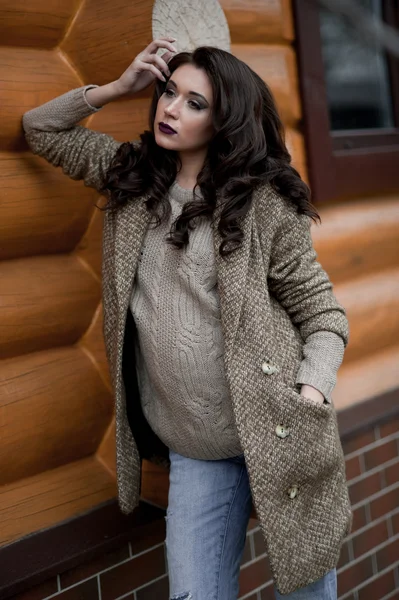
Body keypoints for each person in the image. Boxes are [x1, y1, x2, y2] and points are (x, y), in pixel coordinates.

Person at [22, 38, 352, 599]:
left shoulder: (264, 204)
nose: (170, 109)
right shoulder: (129, 177)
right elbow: (40, 129)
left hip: (280, 429)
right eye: (169, 93)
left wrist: (311, 392)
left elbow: (323, 314)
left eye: (195, 103)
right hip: (197, 450)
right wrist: (117, 88)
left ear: (227, 120)